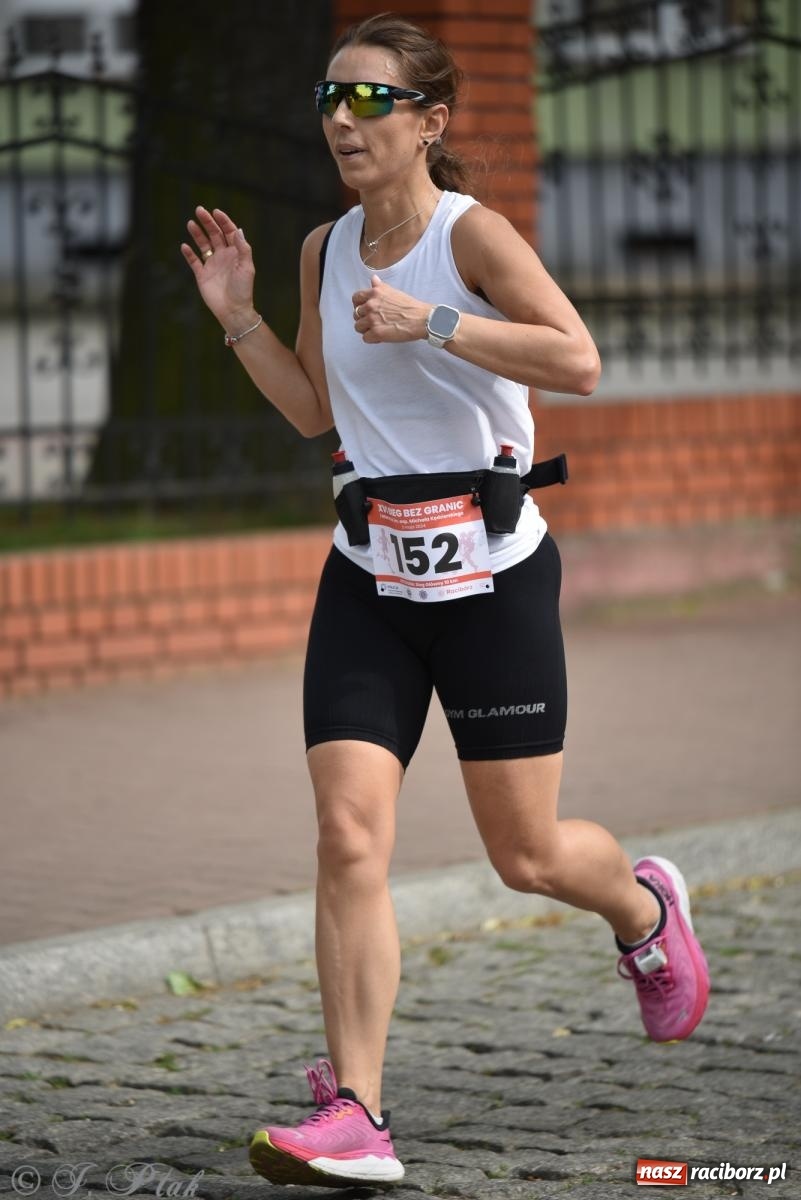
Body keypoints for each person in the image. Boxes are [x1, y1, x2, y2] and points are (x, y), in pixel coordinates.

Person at [181, 12, 710, 1189]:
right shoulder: (323, 250)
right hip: (369, 574)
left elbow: (577, 360)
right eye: (332, 97)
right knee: (348, 833)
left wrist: (438, 323)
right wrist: (238, 316)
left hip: (495, 578)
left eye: (371, 100)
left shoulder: (472, 239)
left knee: (526, 855)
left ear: (429, 121)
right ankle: (359, 1111)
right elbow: (318, 413)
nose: (342, 119)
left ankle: (640, 909)